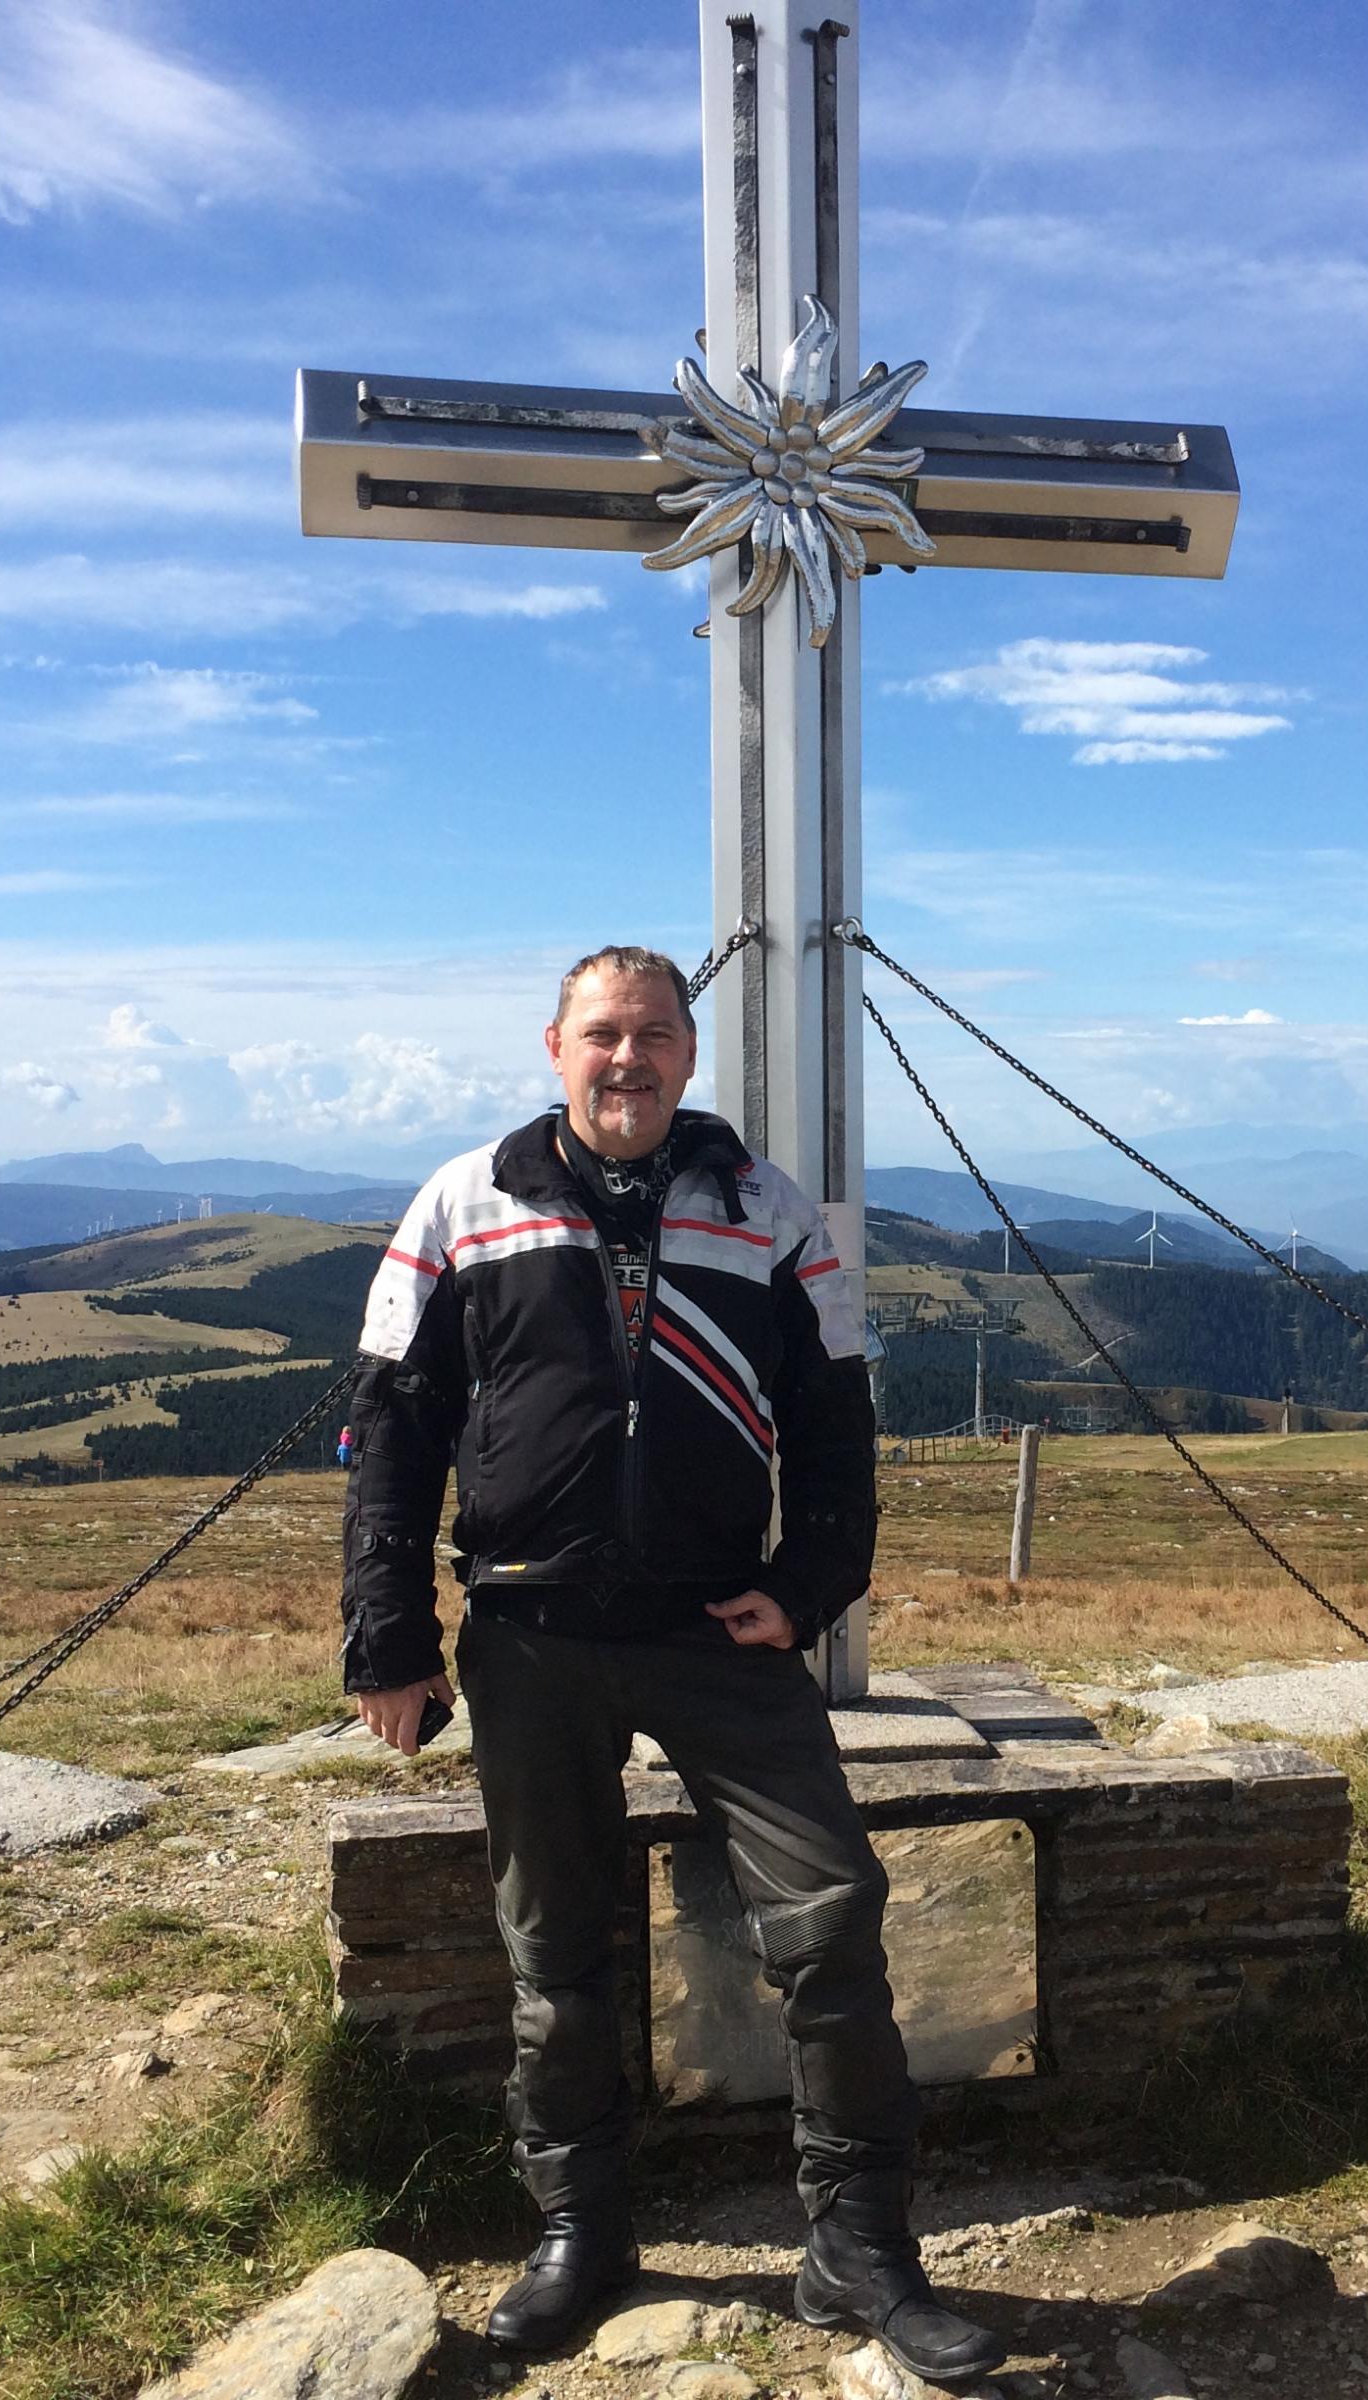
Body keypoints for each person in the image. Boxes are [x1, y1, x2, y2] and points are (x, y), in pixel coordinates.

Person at [340, 943, 1005, 2380]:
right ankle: (581, 2233)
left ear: (690, 1054)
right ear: (555, 1047)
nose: (627, 1058)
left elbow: (836, 1421)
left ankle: (861, 2250)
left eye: (653, 1035)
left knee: (831, 1921)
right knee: (552, 1955)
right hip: (529, 1633)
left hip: (718, 1631)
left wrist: (811, 1587)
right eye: (601, 1036)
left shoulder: (768, 1211)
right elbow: (392, 1430)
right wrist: (388, 1639)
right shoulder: (468, 1200)